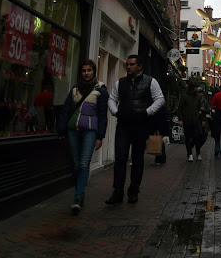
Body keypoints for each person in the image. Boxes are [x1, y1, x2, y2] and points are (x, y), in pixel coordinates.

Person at [105, 54, 165, 204]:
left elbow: (160, 99)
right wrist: (115, 112)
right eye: (127, 65)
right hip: (123, 124)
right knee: (120, 158)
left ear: (140, 66)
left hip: (141, 125)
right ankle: (118, 191)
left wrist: (147, 112)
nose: (129, 67)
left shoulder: (151, 81)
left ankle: (133, 190)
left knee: (137, 159)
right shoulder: (121, 83)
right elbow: (112, 99)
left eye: (132, 64)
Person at [58, 59, 108, 214]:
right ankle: (80, 192)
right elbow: (66, 110)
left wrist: (100, 136)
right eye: (84, 71)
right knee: (75, 164)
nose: (86, 73)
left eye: (89, 70)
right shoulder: (74, 90)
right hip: (73, 130)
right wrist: (61, 130)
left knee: (84, 164)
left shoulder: (101, 91)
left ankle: (78, 197)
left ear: (94, 72)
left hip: (90, 132)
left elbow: (102, 115)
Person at [178, 79, 204, 161]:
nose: (196, 89)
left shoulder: (197, 97)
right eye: (195, 87)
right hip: (187, 120)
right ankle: (190, 154)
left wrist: (202, 118)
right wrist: (180, 119)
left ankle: (198, 153)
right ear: (191, 87)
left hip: (196, 120)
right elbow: (180, 108)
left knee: (197, 137)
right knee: (188, 138)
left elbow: (200, 108)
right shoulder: (185, 96)